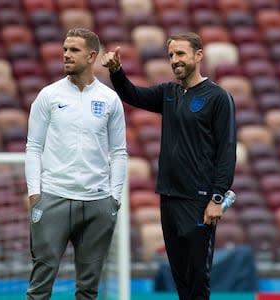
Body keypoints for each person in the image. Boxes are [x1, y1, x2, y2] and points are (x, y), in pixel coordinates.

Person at [101, 32, 236, 300]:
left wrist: (217, 197)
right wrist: (116, 71)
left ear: (198, 55)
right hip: (169, 197)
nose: (175, 60)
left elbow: (227, 150)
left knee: (197, 280)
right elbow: (133, 95)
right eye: (172, 55)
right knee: (181, 280)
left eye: (181, 54)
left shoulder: (218, 97)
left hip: (199, 201)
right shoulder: (169, 93)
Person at [25, 28, 127, 300]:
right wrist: (35, 194)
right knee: (39, 289)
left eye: (74, 50)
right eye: (65, 49)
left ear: (91, 56)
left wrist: (113, 199)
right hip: (54, 198)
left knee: (88, 290)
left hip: (97, 204)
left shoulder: (109, 99)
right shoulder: (48, 96)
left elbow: (119, 152)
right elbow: (33, 147)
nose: (66, 55)